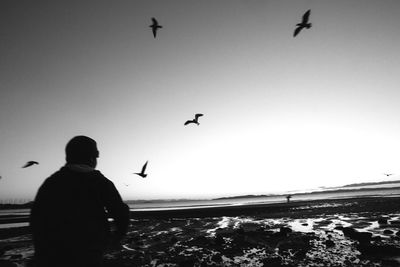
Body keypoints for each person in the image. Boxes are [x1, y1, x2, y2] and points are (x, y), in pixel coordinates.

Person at [30, 136, 130, 267]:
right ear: (91, 158)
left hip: (53, 251)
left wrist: (41, 249)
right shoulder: (100, 182)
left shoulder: (52, 182)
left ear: (68, 157)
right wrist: (117, 237)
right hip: (89, 250)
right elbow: (120, 213)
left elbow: (36, 217)